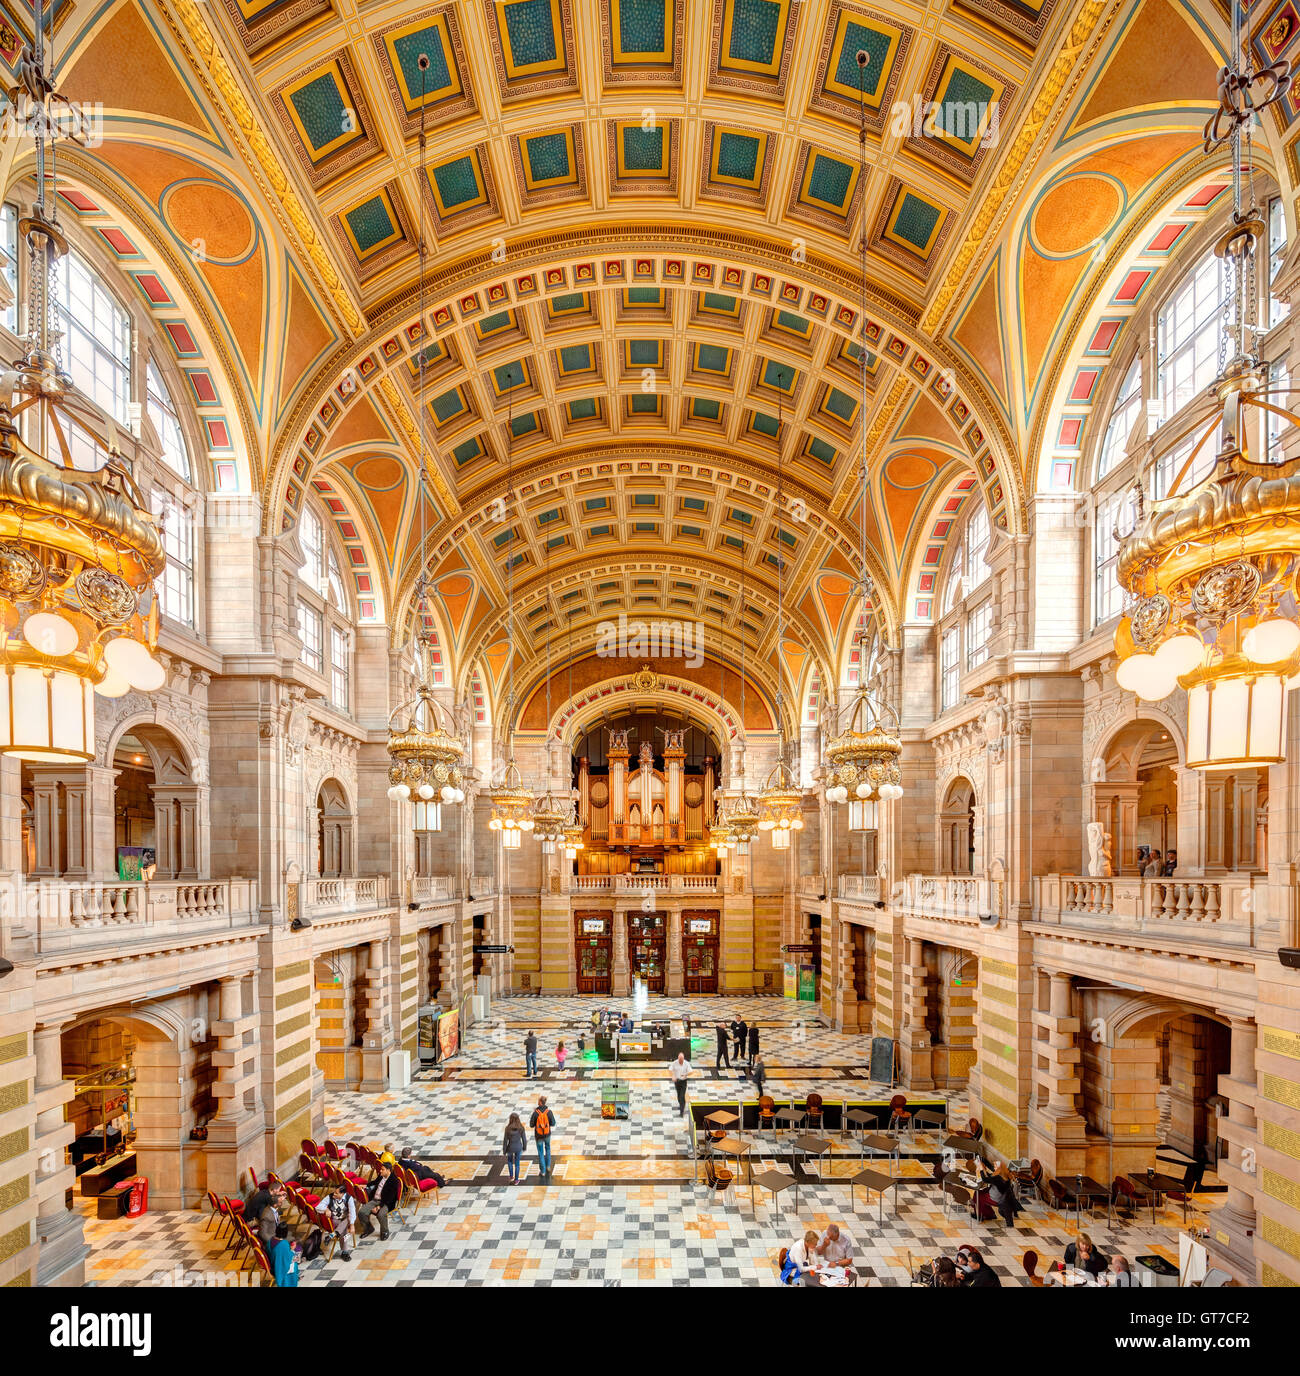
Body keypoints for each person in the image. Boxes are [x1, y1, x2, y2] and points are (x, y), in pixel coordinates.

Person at [357, 1161, 401, 1242]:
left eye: (382, 1169)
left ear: (388, 1170)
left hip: (386, 1203)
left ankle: (385, 1231)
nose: (380, 1171)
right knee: (361, 1212)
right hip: (375, 1200)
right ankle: (369, 1229)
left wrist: (379, 1206)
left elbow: (390, 1198)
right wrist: (366, 1185)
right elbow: (375, 1182)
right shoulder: (381, 1176)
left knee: (381, 1214)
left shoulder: (394, 1181)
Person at [320, 1182, 356, 1261]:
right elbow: (319, 1206)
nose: (334, 1194)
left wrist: (352, 1225)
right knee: (344, 1229)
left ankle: (333, 1234)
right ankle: (345, 1252)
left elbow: (352, 1212)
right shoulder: (330, 1197)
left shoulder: (349, 1198)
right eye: (334, 1192)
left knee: (347, 1220)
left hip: (344, 1219)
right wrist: (326, 1209)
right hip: (335, 1219)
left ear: (342, 1194)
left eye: (336, 1193)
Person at [980, 1160, 1022, 1227]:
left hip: (997, 1198)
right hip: (1004, 1197)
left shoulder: (999, 1178)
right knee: (983, 1191)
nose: (994, 1168)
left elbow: (985, 1179)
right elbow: (990, 1177)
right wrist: (984, 1170)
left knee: (980, 1196)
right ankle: (989, 1213)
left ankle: (986, 1215)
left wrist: (981, 1169)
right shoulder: (1004, 1174)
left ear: (999, 1168)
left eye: (995, 1167)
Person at [530, 1096, 556, 1176]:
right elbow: (553, 1123)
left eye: (538, 1101)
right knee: (548, 1149)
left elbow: (531, 1125)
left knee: (540, 1152)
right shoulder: (549, 1112)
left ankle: (543, 1171)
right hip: (547, 1135)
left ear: (540, 1102)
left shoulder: (535, 1113)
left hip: (538, 1136)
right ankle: (548, 1166)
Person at [503, 1112, 527, 1184]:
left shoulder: (507, 1129)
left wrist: (504, 1150)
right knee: (517, 1164)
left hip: (510, 1147)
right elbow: (524, 1139)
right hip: (518, 1148)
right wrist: (524, 1147)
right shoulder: (521, 1128)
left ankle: (511, 1177)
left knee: (510, 1162)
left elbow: (505, 1141)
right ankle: (516, 1180)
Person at [668, 1051, 692, 1116]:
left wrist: (685, 1074)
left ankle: (682, 1111)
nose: (680, 1061)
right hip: (677, 1081)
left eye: (682, 1059)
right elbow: (670, 1069)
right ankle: (681, 1104)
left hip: (683, 1082)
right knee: (679, 1095)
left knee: (682, 1096)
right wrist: (673, 1076)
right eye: (679, 1059)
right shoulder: (675, 1063)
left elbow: (691, 1071)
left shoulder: (686, 1063)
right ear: (678, 1058)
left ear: (683, 1058)